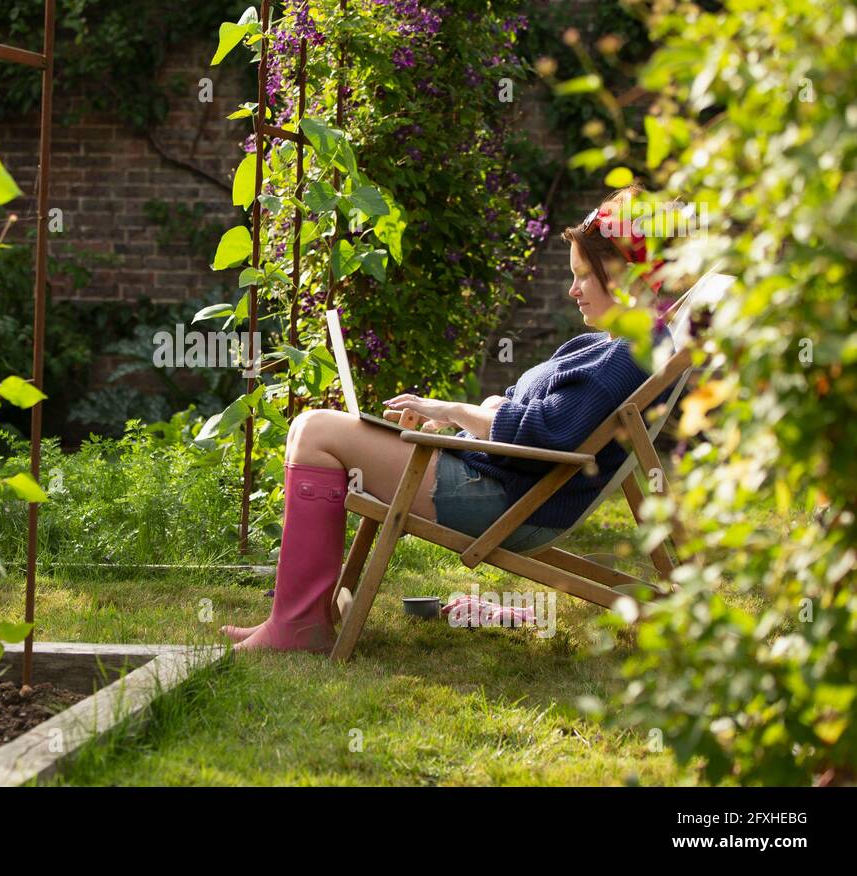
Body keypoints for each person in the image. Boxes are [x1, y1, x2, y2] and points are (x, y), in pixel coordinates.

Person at [222, 186, 674, 653]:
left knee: (315, 429)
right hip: (496, 477)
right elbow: (540, 421)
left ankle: (298, 626)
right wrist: (469, 422)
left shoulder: (624, 353)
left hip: (504, 500)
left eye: (583, 276)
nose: (572, 289)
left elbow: (547, 436)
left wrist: (452, 410)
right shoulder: (616, 344)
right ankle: (301, 617)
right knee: (311, 428)